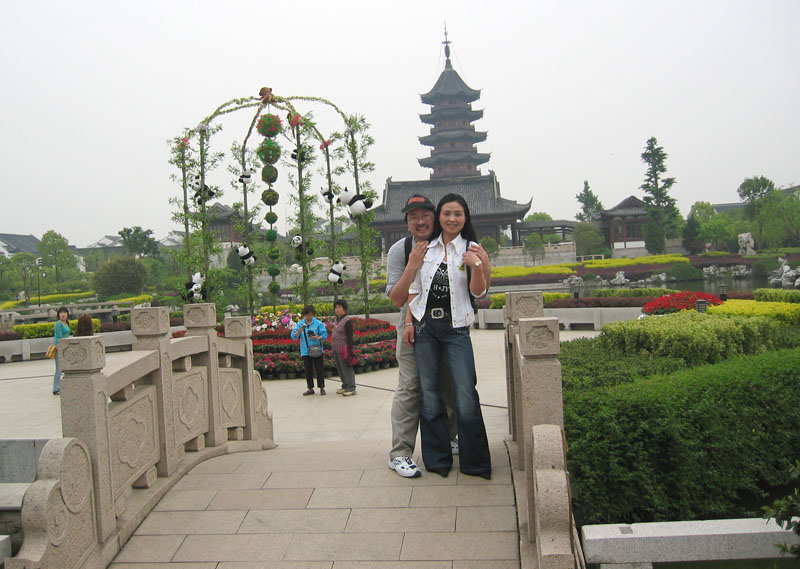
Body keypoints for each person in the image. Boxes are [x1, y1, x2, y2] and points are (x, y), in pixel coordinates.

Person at [385, 193, 491, 478]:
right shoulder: (401, 249)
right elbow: (399, 297)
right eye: (413, 217)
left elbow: (480, 290)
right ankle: (401, 453)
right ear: (406, 222)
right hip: (415, 322)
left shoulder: (458, 245)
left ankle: (451, 438)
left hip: (452, 324)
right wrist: (412, 265)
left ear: (435, 217)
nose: (420, 221)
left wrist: (481, 265)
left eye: (425, 215)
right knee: (412, 386)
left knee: (452, 385)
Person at [290, 305, 328, 396]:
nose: (309, 317)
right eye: (307, 315)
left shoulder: (318, 323)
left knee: (319, 369)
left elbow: (324, 335)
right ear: (304, 315)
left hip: (317, 350)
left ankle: (321, 387)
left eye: (311, 315)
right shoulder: (300, 324)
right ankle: (310, 388)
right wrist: (299, 331)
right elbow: (293, 336)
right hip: (305, 351)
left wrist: (317, 337)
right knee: (308, 370)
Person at [330, 299, 357, 396]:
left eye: (339, 307)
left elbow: (350, 336)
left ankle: (351, 387)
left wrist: (349, 349)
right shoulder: (337, 319)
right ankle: (345, 385)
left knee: (346, 368)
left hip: (344, 349)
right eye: (336, 307)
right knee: (340, 369)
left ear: (344, 309)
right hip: (336, 348)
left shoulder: (347, 321)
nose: (337, 309)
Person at [52, 306, 72, 395]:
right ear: (58, 315)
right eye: (61, 313)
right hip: (59, 348)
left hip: (65, 348)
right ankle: (56, 388)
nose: (63, 314)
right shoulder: (58, 324)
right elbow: (60, 337)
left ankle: (62, 386)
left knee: (65, 368)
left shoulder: (66, 323)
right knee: (59, 369)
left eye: (64, 312)